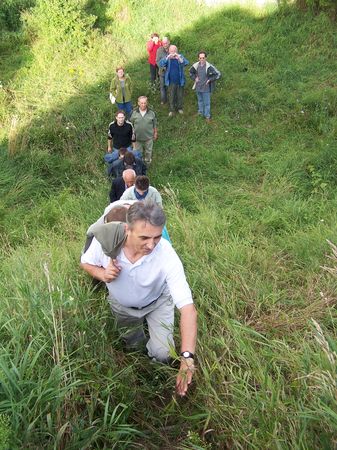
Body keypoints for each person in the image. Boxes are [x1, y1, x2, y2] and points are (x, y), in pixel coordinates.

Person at [80, 201, 197, 396]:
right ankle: (140, 371)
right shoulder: (106, 243)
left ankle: (156, 376)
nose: (151, 245)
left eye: (157, 237)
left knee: (163, 354)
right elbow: (85, 262)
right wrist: (102, 274)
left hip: (157, 303)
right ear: (127, 229)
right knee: (133, 347)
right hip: (122, 308)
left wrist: (187, 358)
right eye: (144, 237)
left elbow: (187, 308)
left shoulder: (165, 253)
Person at [189, 51, 221, 122]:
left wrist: (210, 79)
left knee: (207, 103)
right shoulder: (195, 65)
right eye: (200, 58)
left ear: (206, 58)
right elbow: (190, 73)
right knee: (200, 101)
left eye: (203, 58)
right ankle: (200, 112)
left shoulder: (209, 66)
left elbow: (218, 74)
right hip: (198, 87)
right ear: (198, 58)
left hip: (206, 88)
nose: (202, 59)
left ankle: (207, 116)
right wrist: (195, 78)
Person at [159, 45, 189, 117]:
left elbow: (186, 63)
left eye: (174, 51)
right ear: (169, 51)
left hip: (180, 80)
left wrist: (179, 58)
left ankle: (179, 108)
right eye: (171, 51)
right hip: (171, 81)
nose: (173, 53)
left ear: (177, 51)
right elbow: (161, 64)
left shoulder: (180, 56)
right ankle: (172, 110)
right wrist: (167, 58)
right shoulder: (167, 58)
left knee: (180, 95)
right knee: (171, 96)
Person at [130, 96, 158, 166]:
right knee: (138, 154)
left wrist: (155, 133)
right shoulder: (134, 113)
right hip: (137, 139)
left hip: (148, 138)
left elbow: (154, 124)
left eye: (144, 103)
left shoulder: (151, 113)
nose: (143, 105)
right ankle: (140, 165)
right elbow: (131, 124)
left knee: (148, 152)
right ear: (138, 103)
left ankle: (147, 164)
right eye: (141, 103)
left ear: (147, 103)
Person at [156, 36, 170, 104]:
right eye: (163, 43)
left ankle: (171, 100)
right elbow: (157, 61)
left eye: (166, 43)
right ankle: (163, 100)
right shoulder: (159, 50)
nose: (165, 45)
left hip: (171, 73)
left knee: (170, 87)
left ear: (169, 42)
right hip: (162, 73)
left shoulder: (172, 48)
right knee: (162, 86)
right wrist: (162, 67)